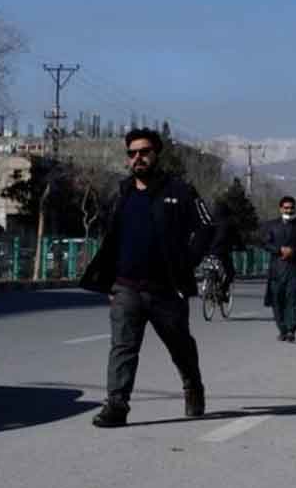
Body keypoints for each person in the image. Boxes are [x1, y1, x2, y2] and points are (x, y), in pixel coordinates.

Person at [79, 128, 211, 428]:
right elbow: (111, 239)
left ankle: (192, 386)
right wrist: (109, 282)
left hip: (167, 290)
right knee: (123, 347)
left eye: (144, 151)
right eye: (132, 153)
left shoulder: (179, 191)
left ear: (156, 154)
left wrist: (187, 262)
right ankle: (117, 404)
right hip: (126, 287)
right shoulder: (121, 193)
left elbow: (206, 228)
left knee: (180, 346)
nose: (138, 157)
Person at [263, 196, 296, 343]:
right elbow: (265, 244)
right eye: (286, 207)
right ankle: (282, 329)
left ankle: (291, 330)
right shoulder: (271, 225)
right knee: (277, 301)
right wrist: (279, 250)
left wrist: (293, 251)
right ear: (280, 208)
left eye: (291, 207)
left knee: (292, 300)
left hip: (294, 270)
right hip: (276, 270)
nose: (289, 210)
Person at [205, 202, 243, 298]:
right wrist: (241, 247)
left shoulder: (210, 221)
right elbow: (237, 238)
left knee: (211, 267)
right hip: (222, 252)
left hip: (208, 251)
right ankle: (222, 291)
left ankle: (210, 285)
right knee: (230, 272)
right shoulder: (229, 223)